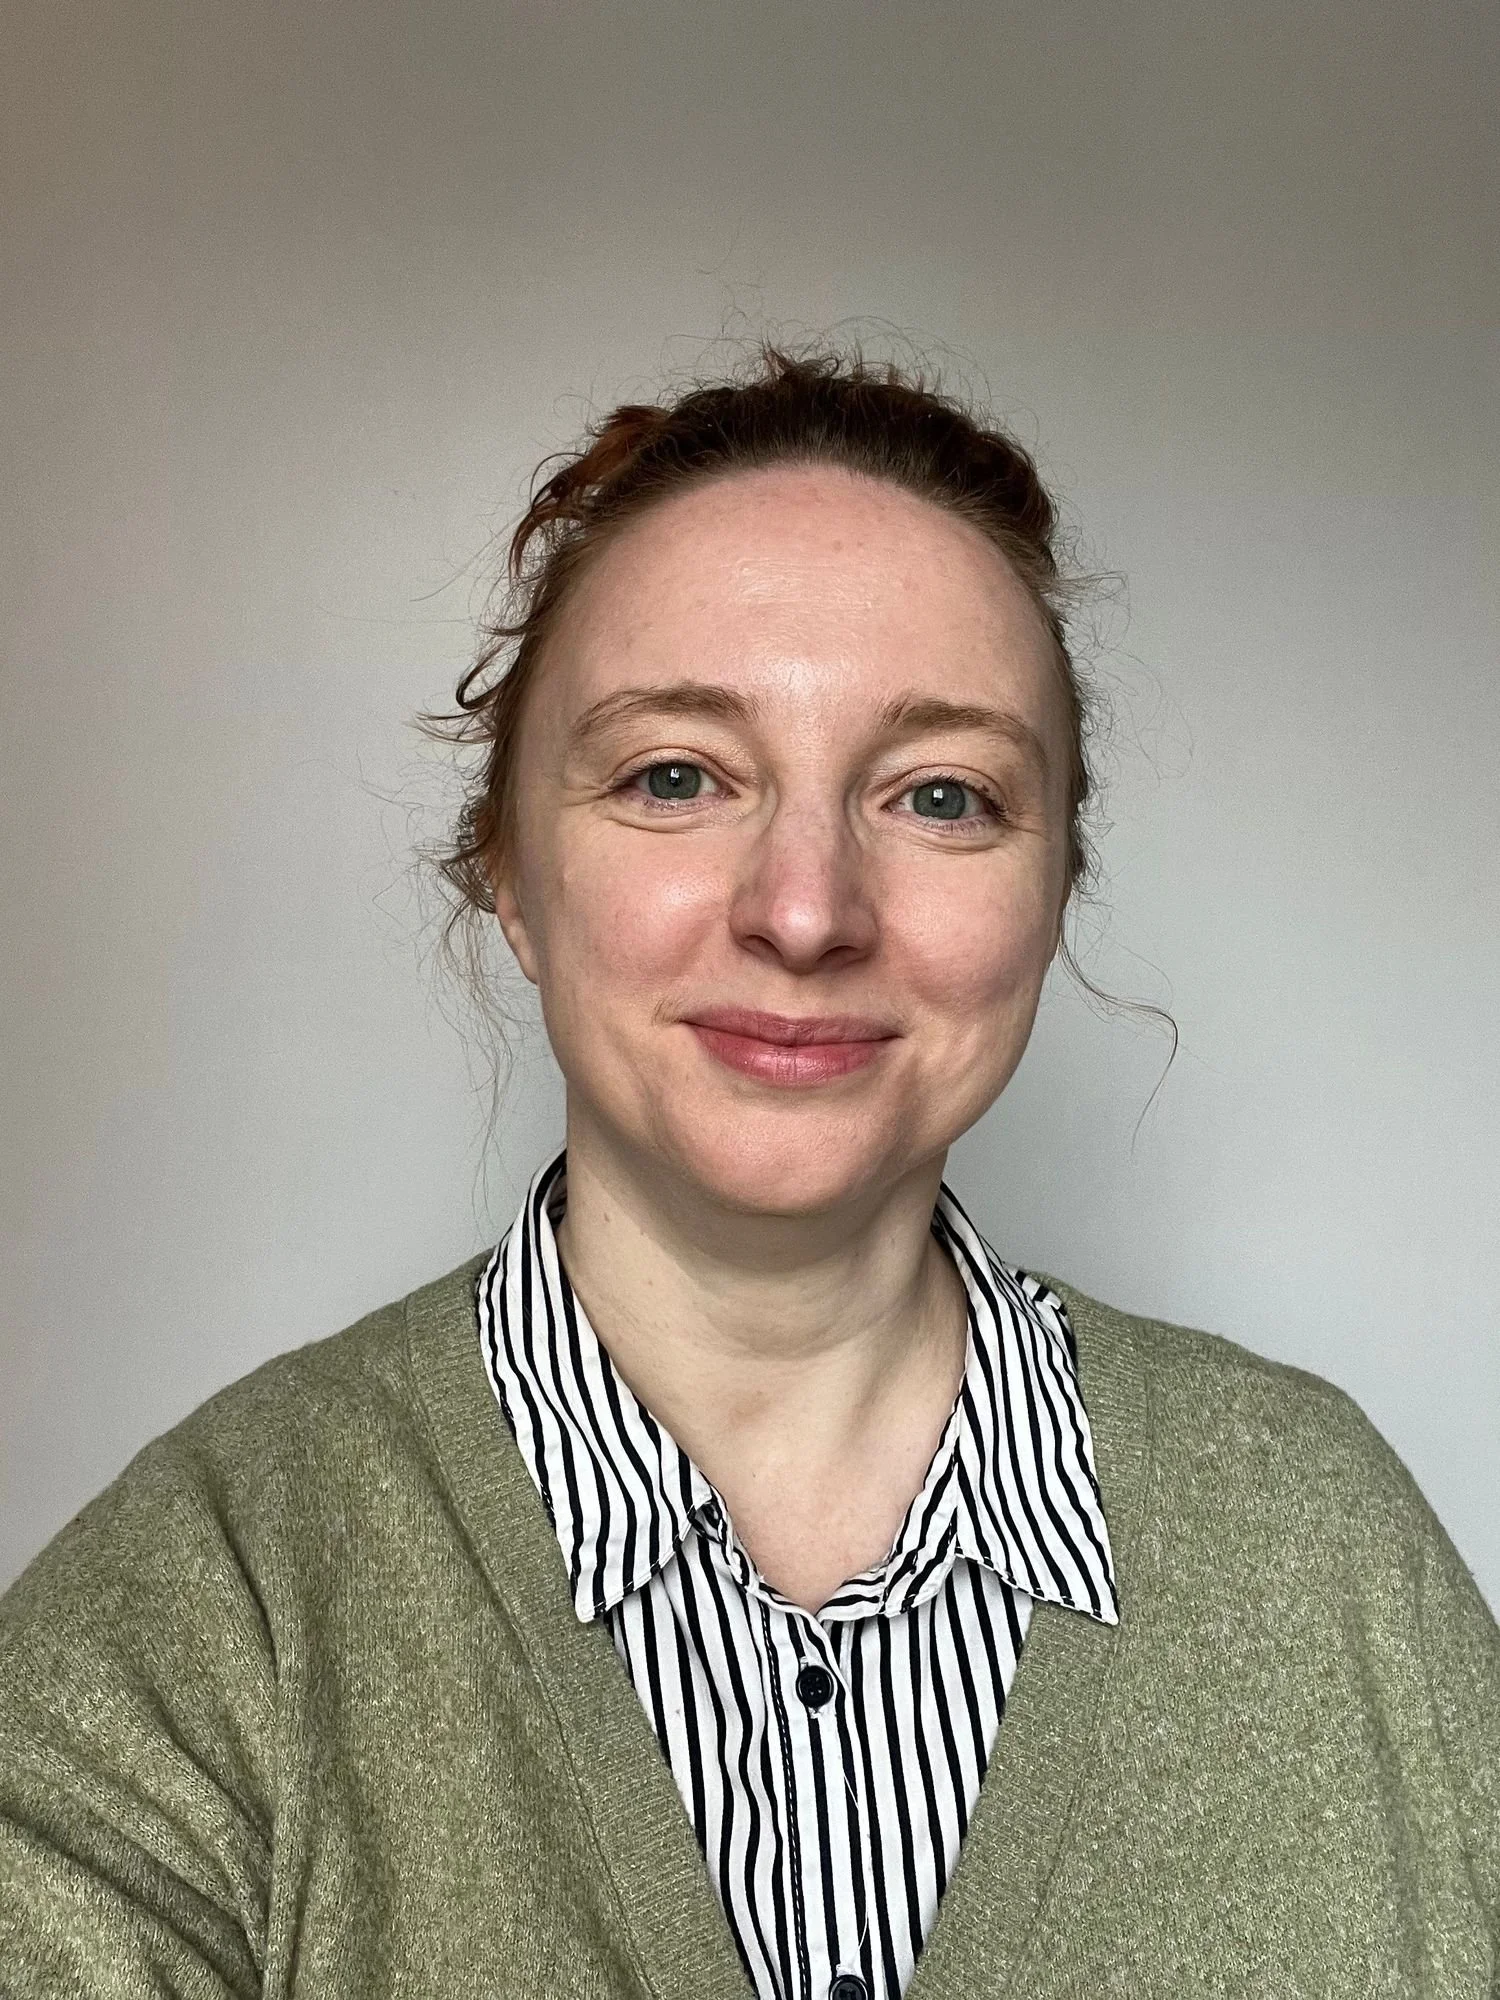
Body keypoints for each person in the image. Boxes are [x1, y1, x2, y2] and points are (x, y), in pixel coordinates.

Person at [1, 346, 1496, 1999]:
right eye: (674, 777)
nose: (805, 909)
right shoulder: (214, 1612)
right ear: (508, 866)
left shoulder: (1329, 1549)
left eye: (942, 795)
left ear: (1059, 883)